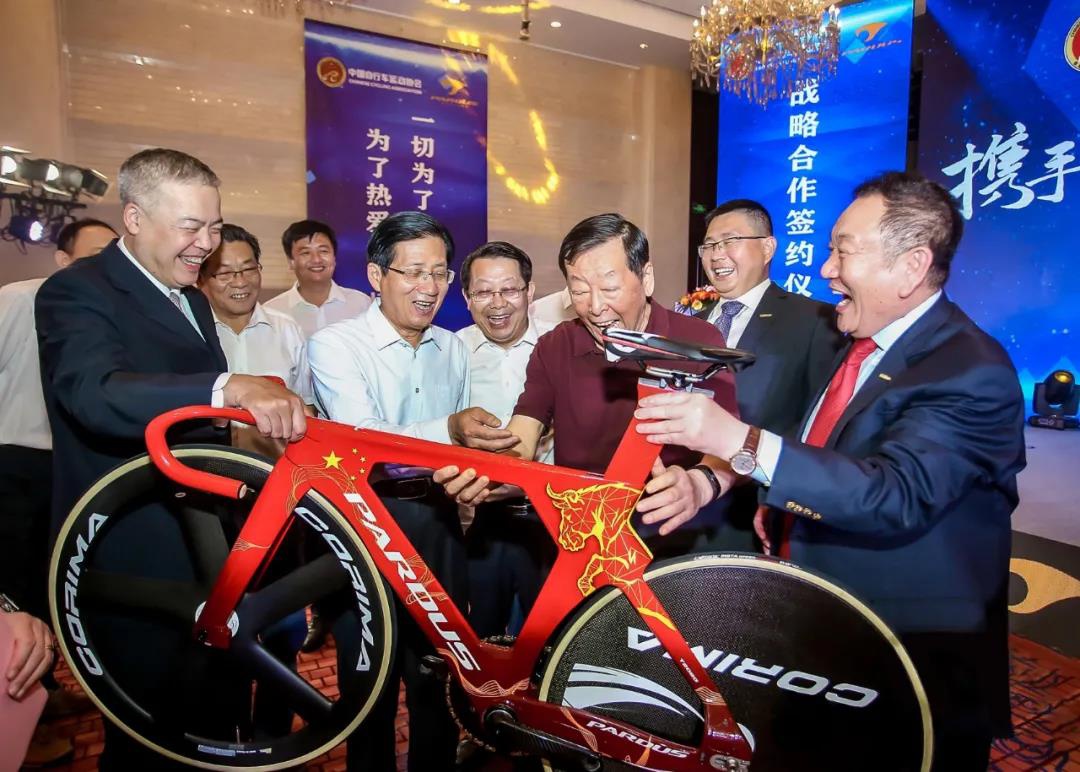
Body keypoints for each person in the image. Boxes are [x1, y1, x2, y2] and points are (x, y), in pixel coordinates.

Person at [633, 171, 1025, 770]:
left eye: (844, 252)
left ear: (911, 266)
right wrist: (717, 478)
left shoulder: (971, 370)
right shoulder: (859, 344)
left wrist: (735, 437)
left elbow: (893, 493)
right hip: (825, 633)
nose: (826, 270)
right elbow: (822, 444)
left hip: (910, 656)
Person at [36, 148, 306, 770]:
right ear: (134, 218)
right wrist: (226, 387)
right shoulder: (76, 290)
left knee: (216, 721)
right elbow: (94, 393)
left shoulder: (188, 295)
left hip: (208, 550)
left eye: (214, 226)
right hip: (135, 554)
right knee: (152, 735)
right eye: (191, 227)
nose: (206, 244)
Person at [308, 211, 513, 772]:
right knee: (367, 679)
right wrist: (448, 430)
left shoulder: (452, 347)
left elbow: (464, 449)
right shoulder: (335, 344)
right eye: (414, 272)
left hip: (438, 524)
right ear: (377, 276)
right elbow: (361, 438)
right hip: (361, 527)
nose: (430, 287)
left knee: (439, 674)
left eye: (440, 273)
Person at [437, 213, 740, 557]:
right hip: (582, 539)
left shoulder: (697, 341)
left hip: (676, 541)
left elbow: (734, 449)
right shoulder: (556, 346)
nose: (595, 307)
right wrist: (487, 473)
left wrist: (699, 484)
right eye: (579, 291)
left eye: (609, 289)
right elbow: (522, 436)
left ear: (647, 278)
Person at [0, 218, 118, 765]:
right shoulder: (15, 300)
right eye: (91, 255)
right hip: (13, 462)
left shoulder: (104, 311)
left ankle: (42, 690)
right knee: (11, 592)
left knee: (50, 583)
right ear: (63, 259)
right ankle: (16, 723)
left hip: (70, 469)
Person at [692, 199, 842, 550]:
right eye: (709, 245)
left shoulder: (815, 322)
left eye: (730, 241)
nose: (717, 255)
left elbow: (819, 424)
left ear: (768, 247)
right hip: (677, 508)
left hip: (753, 515)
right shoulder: (689, 324)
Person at [456, 241, 557, 639]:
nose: (497, 303)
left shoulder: (560, 346)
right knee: (478, 633)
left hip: (555, 515)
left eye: (510, 289)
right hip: (480, 518)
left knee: (553, 636)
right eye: (483, 291)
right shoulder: (451, 352)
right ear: (467, 298)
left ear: (530, 292)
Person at [199, 223, 314, 453]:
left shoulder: (287, 330)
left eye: (249, 269)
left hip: (276, 467)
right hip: (205, 466)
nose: (240, 282)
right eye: (224, 273)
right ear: (200, 279)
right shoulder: (192, 333)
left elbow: (307, 406)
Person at [264, 218, 372, 338]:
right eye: (306, 253)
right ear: (291, 262)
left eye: (323, 251)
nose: (316, 259)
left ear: (334, 258)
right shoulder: (271, 312)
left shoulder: (361, 304)